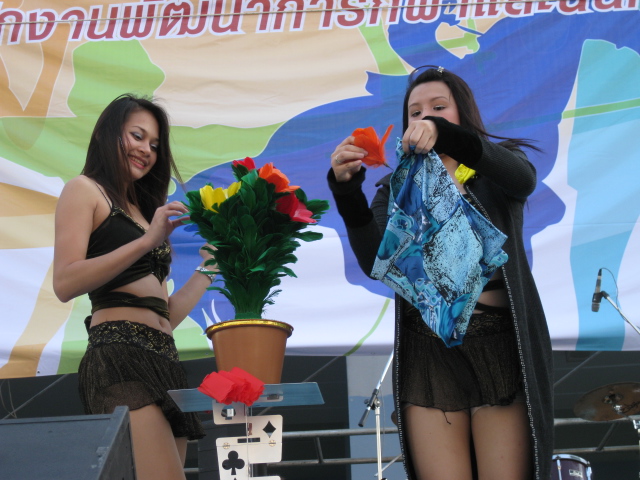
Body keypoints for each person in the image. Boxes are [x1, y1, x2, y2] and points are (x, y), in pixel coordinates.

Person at [327, 67, 554, 480]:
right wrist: (347, 191)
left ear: (462, 114)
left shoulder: (493, 171)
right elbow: (375, 261)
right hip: (429, 355)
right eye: (414, 112)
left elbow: (524, 180)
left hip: (500, 348)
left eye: (438, 107)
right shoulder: (396, 188)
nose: (424, 117)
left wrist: (445, 135)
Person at [53, 94, 216, 480]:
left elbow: (162, 315)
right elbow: (65, 281)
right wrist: (147, 241)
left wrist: (208, 269)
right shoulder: (84, 189)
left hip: (164, 360)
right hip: (119, 356)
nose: (147, 150)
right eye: (137, 136)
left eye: (155, 145)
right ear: (105, 134)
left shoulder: (143, 212)